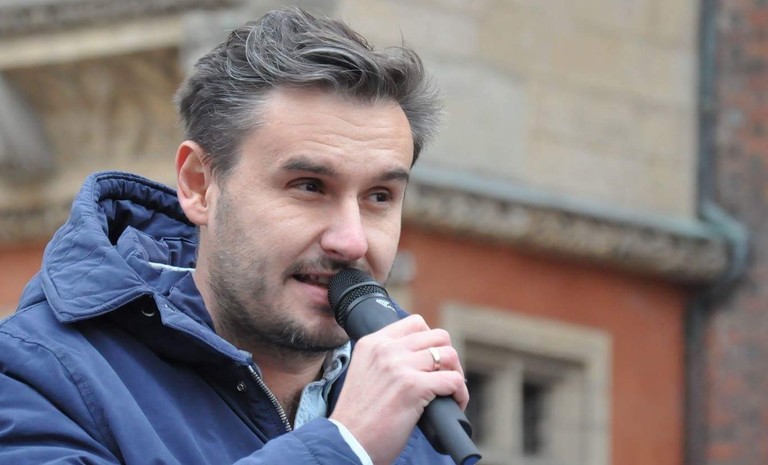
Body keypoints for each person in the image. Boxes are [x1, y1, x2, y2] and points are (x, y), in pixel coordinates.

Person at [0, 7, 469, 465]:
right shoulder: (33, 373)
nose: (352, 241)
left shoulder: (416, 410)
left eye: (380, 196)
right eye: (309, 187)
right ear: (199, 185)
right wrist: (344, 445)